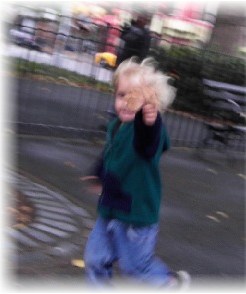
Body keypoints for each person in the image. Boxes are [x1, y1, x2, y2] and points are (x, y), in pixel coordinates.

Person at [81, 57, 190, 289]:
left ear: (152, 103)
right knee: (94, 260)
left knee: (135, 268)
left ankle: (169, 283)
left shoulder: (148, 130)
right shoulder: (116, 125)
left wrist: (149, 121)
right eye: (121, 95)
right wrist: (97, 172)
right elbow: (110, 153)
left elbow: (147, 144)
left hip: (136, 217)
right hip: (109, 210)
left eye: (134, 97)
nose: (125, 102)